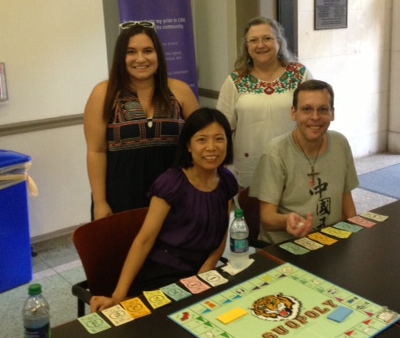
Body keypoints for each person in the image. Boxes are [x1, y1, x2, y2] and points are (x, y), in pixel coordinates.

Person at [90, 108, 237, 311]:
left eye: (219, 139)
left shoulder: (227, 181)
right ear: (188, 145)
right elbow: (144, 240)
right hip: (164, 274)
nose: (211, 147)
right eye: (202, 140)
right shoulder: (171, 183)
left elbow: (221, 234)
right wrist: (117, 296)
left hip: (202, 271)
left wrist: (207, 269)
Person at [84, 21, 199, 220]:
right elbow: (96, 151)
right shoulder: (103, 93)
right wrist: (100, 202)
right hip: (122, 198)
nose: (140, 59)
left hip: (174, 195)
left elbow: (199, 141)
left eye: (148, 51)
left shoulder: (181, 90)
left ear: (158, 55)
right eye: (131, 52)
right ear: (121, 56)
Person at [249, 80, 358, 244]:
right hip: (287, 246)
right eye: (307, 109)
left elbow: (347, 204)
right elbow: (267, 219)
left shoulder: (340, 143)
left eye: (323, 110)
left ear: (332, 113)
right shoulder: (275, 153)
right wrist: (287, 221)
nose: (315, 117)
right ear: (294, 113)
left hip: (330, 241)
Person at [217, 16, 312, 190]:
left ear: (279, 42)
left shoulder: (300, 75)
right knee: (253, 214)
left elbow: (313, 119)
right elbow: (222, 128)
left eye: (267, 38)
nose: (260, 45)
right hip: (249, 167)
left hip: (294, 162)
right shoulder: (235, 80)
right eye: (253, 40)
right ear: (247, 47)